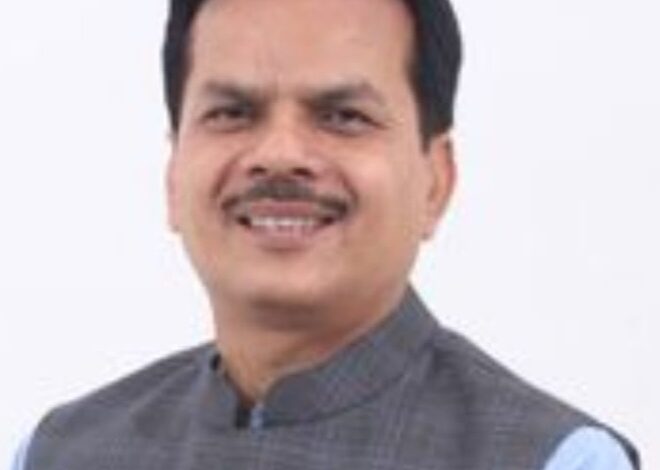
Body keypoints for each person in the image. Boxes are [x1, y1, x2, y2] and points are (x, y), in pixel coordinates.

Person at [15, 0, 640, 468]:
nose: (280, 154)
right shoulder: (61, 453)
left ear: (435, 180)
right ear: (174, 174)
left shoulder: (553, 459)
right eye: (232, 113)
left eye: (343, 116)